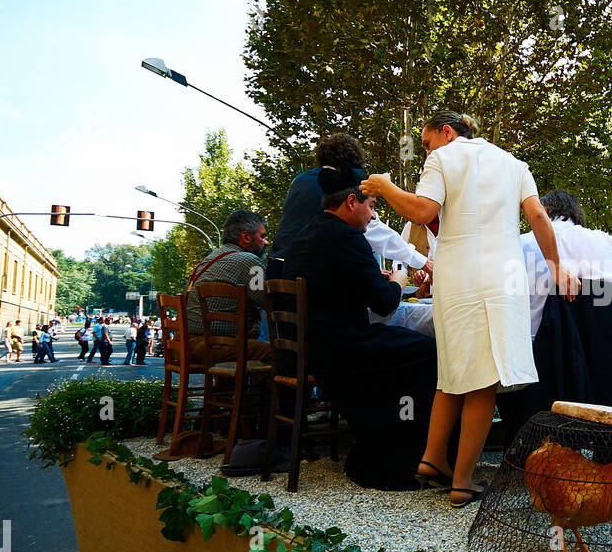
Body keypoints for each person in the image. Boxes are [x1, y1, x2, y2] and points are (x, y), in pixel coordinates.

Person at [360, 111, 578, 507]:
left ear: (447, 132)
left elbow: (423, 211)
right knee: (484, 380)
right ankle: (460, 479)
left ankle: (435, 459)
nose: (426, 150)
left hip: (456, 277)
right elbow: (538, 216)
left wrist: (386, 187)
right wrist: (556, 266)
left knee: (454, 370)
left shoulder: (442, 158)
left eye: (426, 142)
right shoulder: (514, 164)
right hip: (500, 279)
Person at [280, 163, 439, 490]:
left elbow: (337, 285)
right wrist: (397, 280)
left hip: (317, 347)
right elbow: (383, 303)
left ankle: (375, 448)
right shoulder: (349, 237)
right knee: (430, 353)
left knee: (406, 347)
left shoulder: (306, 235)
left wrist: (374, 280)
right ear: (352, 202)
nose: (372, 216)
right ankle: (390, 461)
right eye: (372, 207)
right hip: (343, 350)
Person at [269, 133, 433, 284]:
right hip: (308, 279)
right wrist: (423, 262)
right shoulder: (342, 185)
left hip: (276, 272)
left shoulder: (300, 180)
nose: (373, 214)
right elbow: (375, 231)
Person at [518, 189, 612, 339]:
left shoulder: (519, 245)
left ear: (544, 211)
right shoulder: (611, 245)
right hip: (603, 351)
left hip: (539, 352)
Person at [186, 210, 273, 365]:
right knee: (279, 354)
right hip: (213, 346)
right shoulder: (250, 262)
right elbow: (270, 303)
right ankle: (260, 390)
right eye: (263, 236)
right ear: (246, 237)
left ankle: (227, 389)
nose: (266, 242)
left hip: (185, 343)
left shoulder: (209, 260)